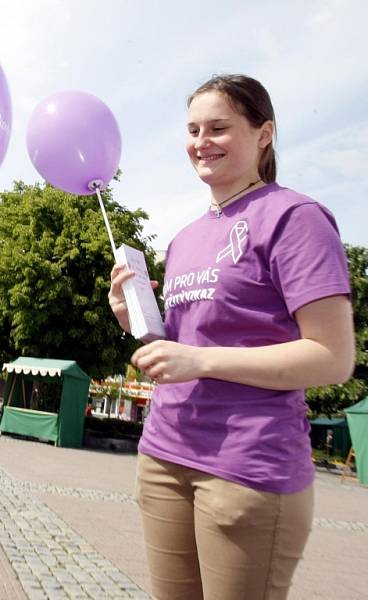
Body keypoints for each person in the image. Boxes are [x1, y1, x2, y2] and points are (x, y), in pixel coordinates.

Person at [109, 74, 354, 600]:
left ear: (264, 133)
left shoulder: (296, 219)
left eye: (219, 127)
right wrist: (133, 319)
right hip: (164, 457)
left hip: (247, 467)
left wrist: (200, 361)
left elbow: (332, 358)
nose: (201, 141)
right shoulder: (184, 239)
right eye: (193, 129)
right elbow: (183, 343)